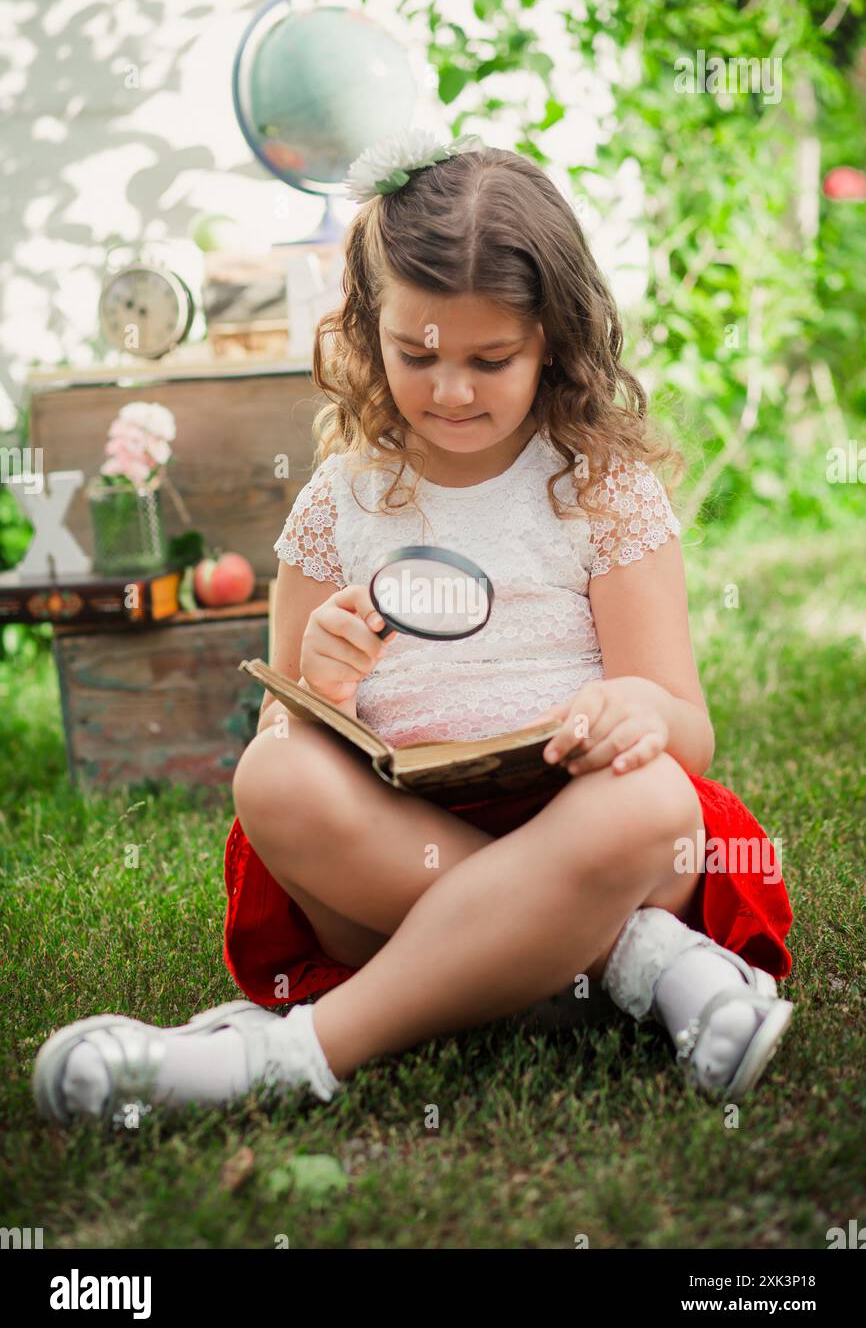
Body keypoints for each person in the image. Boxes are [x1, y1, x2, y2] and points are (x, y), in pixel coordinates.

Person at [33, 131, 794, 1126]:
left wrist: (633, 708)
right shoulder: (336, 505)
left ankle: (290, 1053)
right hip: (397, 856)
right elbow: (287, 731)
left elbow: (685, 733)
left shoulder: (601, 492)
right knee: (271, 775)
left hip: (590, 843)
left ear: (552, 340)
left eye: (492, 359)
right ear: (365, 330)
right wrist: (327, 684)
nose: (451, 391)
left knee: (649, 799)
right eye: (416, 356)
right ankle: (624, 961)